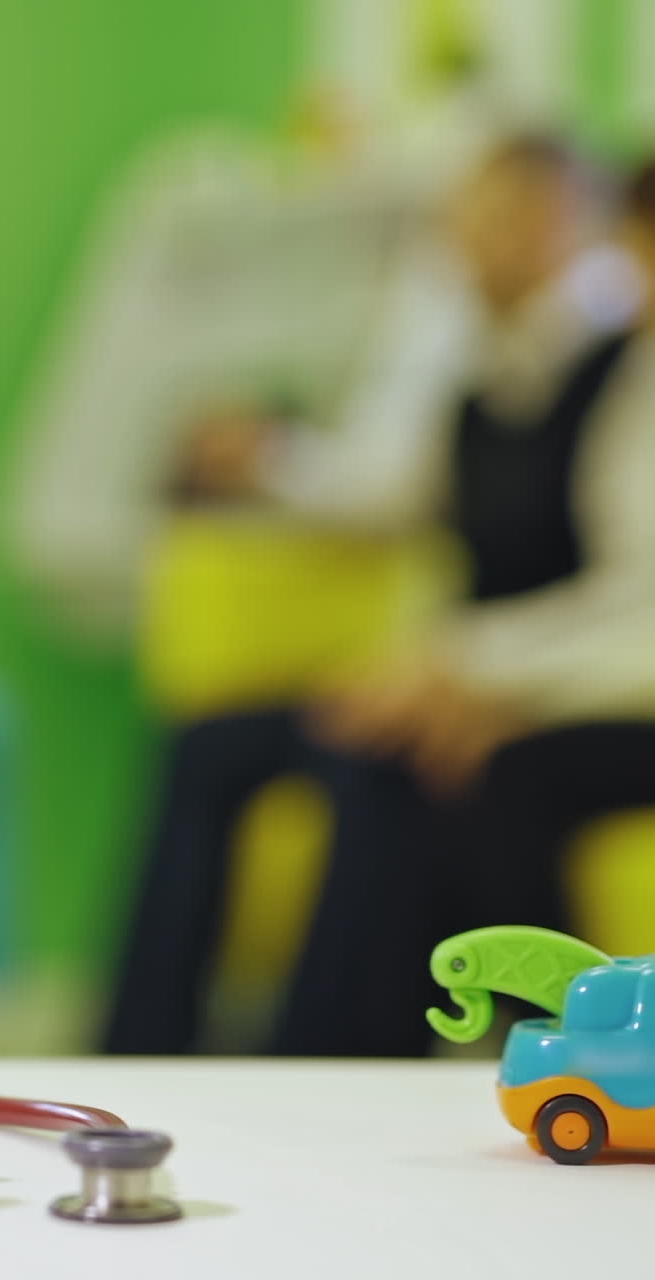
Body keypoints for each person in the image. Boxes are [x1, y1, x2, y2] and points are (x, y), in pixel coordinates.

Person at [103, 133, 655, 1057]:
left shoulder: (622, 378)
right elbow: (384, 490)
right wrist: (262, 460)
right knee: (210, 745)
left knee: (391, 760)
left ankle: (326, 1058)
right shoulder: (474, 378)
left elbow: (634, 598)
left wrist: (473, 671)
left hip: (555, 683)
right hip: (492, 669)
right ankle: (139, 1048)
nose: (472, 236)